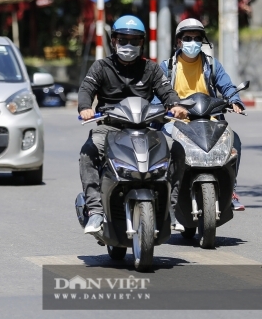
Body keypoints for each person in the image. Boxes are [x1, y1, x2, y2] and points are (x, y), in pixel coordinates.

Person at [78, 15, 188, 234]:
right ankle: (95, 210)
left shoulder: (151, 69)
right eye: (123, 40)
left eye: (135, 41)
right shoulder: (101, 67)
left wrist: (175, 105)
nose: (129, 45)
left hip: (146, 127)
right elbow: (86, 90)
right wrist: (85, 107)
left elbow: (167, 91)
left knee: (176, 150)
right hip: (110, 128)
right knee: (88, 152)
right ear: (114, 41)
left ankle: (170, 208)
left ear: (142, 43)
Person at [156, 18, 246, 216]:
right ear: (179, 41)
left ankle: (230, 190)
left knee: (234, 142)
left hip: (209, 119)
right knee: (165, 147)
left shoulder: (212, 64)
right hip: (176, 123)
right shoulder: (167, 67)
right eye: (188, 38)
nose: (193, 42)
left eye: (197, 38)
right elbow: (156, 95)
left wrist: (235, 100)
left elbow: (227, 87)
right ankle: (165, 193)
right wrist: (165, 109)